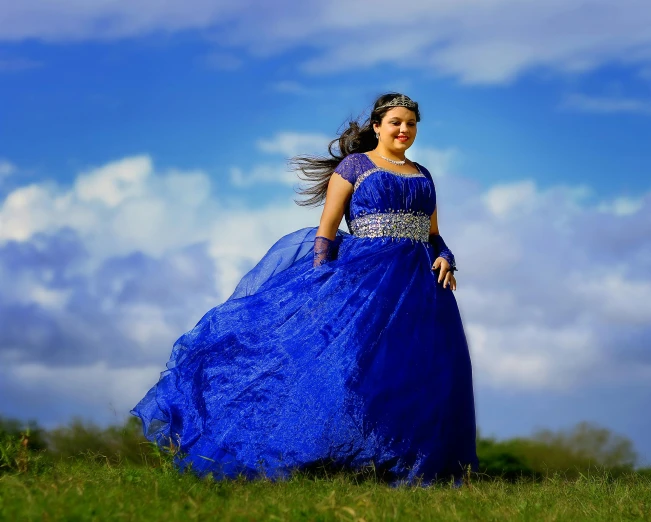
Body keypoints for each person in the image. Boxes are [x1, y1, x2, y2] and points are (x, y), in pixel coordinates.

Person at [131, 93, 479, 485]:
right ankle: (330, 458)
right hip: (367, 279)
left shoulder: (423, 173)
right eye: (396, 122)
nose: (404, 130)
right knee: (355, 367)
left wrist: (446, 255)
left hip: (422, 286)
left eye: (411, 123)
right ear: (378, 126)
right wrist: (321, 278)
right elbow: (327, 228)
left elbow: (433, 234)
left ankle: (411, 464)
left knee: (422, 372)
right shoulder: (355, 165)